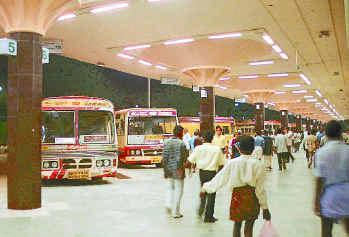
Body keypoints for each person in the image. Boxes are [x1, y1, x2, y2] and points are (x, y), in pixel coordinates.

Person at [200, 136, 271, 237]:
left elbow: (220, 179)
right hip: (252, 198)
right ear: (253, 148)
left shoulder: (232, 163)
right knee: (249, 227)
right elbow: (260, 189)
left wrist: (205, 188)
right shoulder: (259, 165)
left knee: (237, 225)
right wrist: (265, 208)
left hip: (237, 197)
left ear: (239, 148)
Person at [313, 120, 349, 237]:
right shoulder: (347, 150)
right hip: (347, 194)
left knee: (326, 230)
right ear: (340, 133)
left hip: (330, 196)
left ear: (326, 134)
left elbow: (320, 179)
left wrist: (316, 201)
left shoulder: (321, 152)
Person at [188, 130, 225, 223]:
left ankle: (201, 209)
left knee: (203, 190)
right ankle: (209, 216)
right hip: (212, 173)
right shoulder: (217, 149)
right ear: (212, 138)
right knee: (212, 194)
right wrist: (218, 175)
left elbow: (190, 161)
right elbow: (221, 164)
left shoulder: (198, 148)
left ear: (203, 138)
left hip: (202, 173)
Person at [162, 125, 189, 218]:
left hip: (168, 169)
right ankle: (176, 212)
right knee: (179, 190)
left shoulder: (166, 142)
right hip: (178, 170)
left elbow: (164, 158)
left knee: (169, 188)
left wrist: (165, 170)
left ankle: (168, 204)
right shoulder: (182, 144)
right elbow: (185, 159)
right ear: (181, 133)